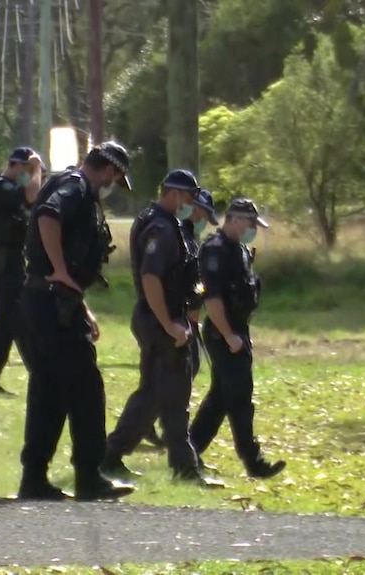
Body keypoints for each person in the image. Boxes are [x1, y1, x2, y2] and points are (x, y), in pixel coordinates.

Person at [17, 141, 134, 502]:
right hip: (52, 304)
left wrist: (79, 303)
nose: (113, 185)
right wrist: (61, 272)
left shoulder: (65, 181)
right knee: (85, 390)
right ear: (111, 170)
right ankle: (89, 476)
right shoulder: (76, 188)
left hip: (47, 302)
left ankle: (34, 478)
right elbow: (49, 217)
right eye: (116, 177)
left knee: (49, 391)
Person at [100, 169, 224, 488]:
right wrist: (169, 324)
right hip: (161, 321)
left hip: (162, 319)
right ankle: (184, 468)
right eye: (189, 198)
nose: (191, 205)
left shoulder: (167, 224)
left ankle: (111, 455)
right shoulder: (162, 229)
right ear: (174, 194)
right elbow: (151, 278)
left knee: (152, 396)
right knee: (173, 396)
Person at [188, 197, 286, 480]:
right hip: (223, 333)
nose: (253, 229)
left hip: (237, 331)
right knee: (240, 397)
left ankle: (188, 453)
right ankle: (253, 462)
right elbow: (213, 299)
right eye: (250, 223)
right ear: (233, 219)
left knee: (220, 398)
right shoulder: (215, 251)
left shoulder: (239, 250)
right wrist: (229, 336)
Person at [143, 188, 219, 450]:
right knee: (173, 373)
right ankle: (148, 425)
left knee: (175, 372)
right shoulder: (176, 233)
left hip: (184, 315)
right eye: (203, 213)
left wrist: (201, 294)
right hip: (171, 316)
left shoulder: (189, 237)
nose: (203, 219)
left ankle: (149, 424)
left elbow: (195, 282)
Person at [0, 147, 45, 395]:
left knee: (4, 324)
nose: (32, 176)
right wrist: (36, 169)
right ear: (16, 166)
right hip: (3, 259)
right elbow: (31, 196)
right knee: (19, 318)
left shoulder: (16, 190)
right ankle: (41, 374)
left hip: (14, 258)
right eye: (28, 171)